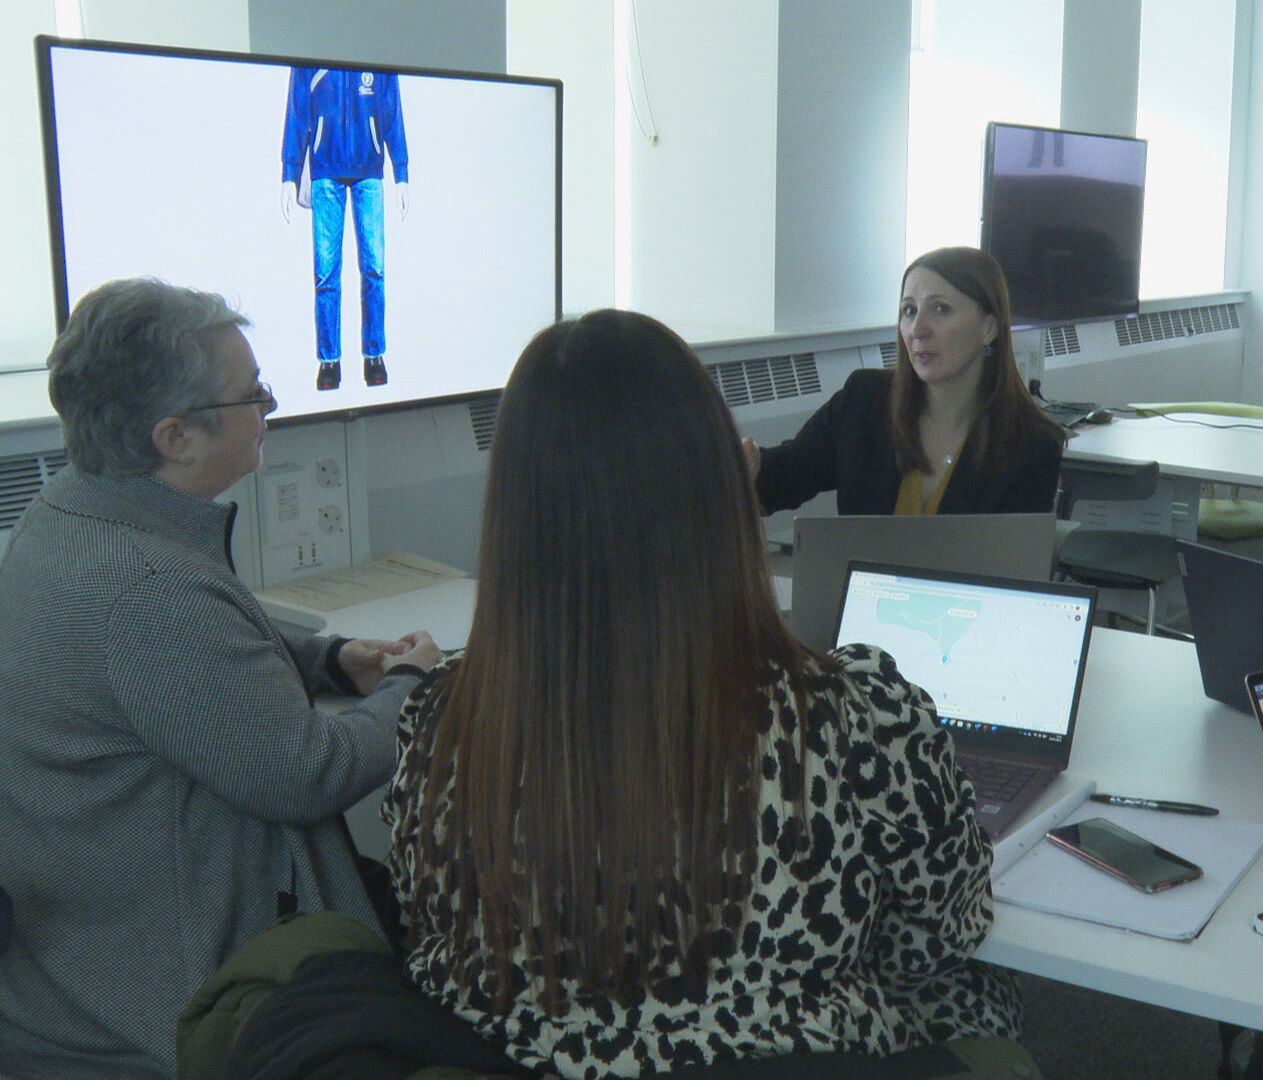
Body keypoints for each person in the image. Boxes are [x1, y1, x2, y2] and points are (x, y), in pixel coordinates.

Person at [383, 310, 1019, 1076]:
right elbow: (944, 932)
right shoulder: (855, 719)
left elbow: (427, 923)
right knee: (984, 1005)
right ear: (721, 484)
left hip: (523, 1058)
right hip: (791, 1058)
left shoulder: (441, 722)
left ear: (514, 508)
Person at [0, 278, 441, 1080]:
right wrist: (412, 689)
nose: (267, 407)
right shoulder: (150, 589)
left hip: (81, 961)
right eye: (254, 394)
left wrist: (327, 656)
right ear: (177, 437)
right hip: (168, 1004)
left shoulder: (67, 516)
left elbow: (187, 666)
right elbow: (309, 772)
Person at [748, 246, 1065, 516]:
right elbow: (779, 479)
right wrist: (738, 466)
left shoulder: (1033, 444)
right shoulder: (864, 400)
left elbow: (1013, 568)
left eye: (940, 309)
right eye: (909, 311)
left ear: (989, 328)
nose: (917, 330)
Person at [282, 66, 410, 391]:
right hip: (325, 169)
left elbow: (392, 109)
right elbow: (297, 110)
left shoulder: (377, 55)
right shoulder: (308, 57)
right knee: (326, 272)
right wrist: (290, 173)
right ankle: (329, 362)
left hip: (370, 169)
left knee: (374, 269)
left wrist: (401, 171)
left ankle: (374, 355)